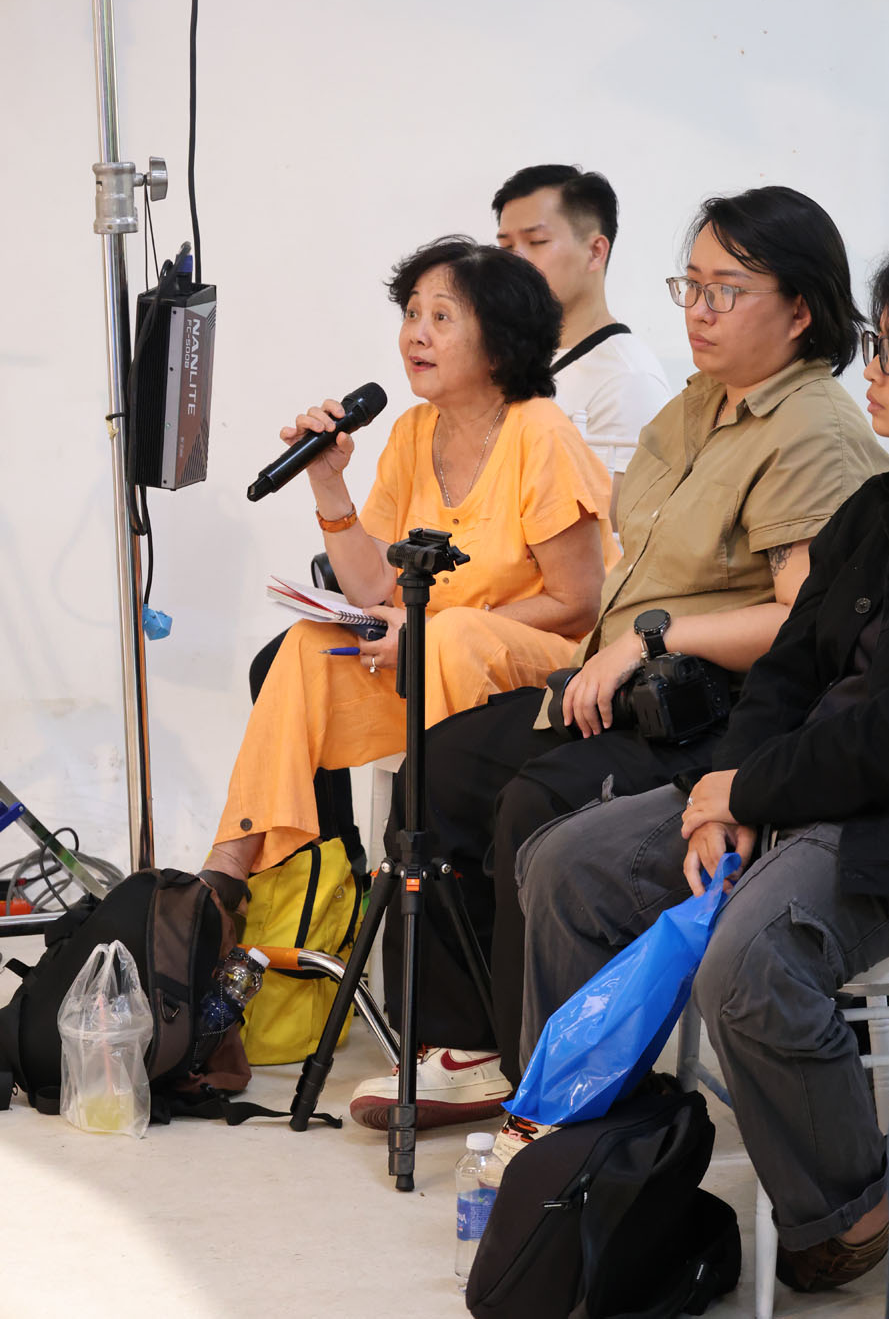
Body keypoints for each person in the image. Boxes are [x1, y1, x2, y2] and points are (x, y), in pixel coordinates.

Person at [350, 187, 889, 1132]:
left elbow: (798, 633)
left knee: (535, 808)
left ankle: (542, 1086)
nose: (698, 311)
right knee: (440, 770)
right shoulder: (693, 407)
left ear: (801, 310)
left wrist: (651, 639)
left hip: (708, 705)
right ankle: (463, 1046)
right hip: (621, 679)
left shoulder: (813, 430)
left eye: (726, 291)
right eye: (691, 286)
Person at [513, 258, 889, 1296]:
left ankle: (851, 1206)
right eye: (878, 346)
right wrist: (725, 787)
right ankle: (603, 1157)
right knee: (567, 864)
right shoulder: (872, 510)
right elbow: (788, 671)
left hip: (864, 817)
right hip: (783, 784)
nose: (872, 372)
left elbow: (876, 740)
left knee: (749, 964)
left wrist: (752, 795)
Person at [198, 235, 616, 896]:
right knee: (308, 645)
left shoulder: (541, 433)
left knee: (452, 635)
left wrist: (431, 632)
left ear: (500, 343)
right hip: (435, 658)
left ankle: (419, 863)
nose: (415, 334)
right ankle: (227, 876)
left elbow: (578, 603)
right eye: (412, 313)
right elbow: (372, 587)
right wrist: (328, 483)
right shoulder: (414, 430)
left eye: (441, 317)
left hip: (550, 668)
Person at [493, 163, 670, 523]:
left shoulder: (628, 381)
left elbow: (612, 528)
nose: (515, 262)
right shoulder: (507, 358)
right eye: (506, 246)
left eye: (536, 242)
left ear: (595, 252)